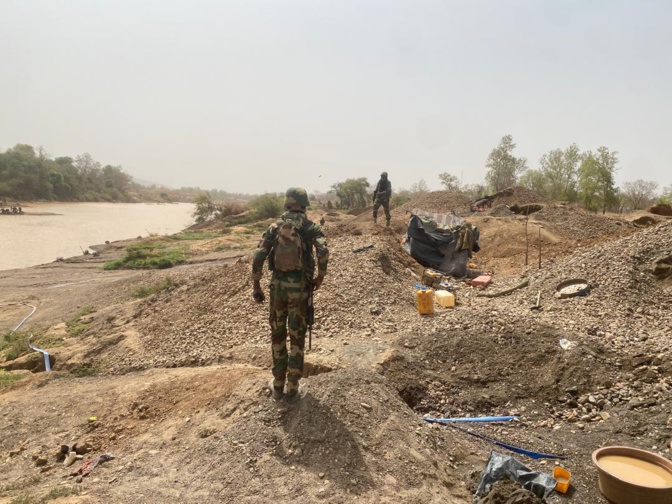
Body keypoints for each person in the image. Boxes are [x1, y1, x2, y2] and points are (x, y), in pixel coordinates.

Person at [251, 187, 329, 403]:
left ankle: (277, 385)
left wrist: (256, 285)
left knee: (277, 334)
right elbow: (323, 251)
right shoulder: (309, 227)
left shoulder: (274, 227)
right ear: (304, 205)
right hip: (300, 289)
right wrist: (320, 276)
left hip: (277, 288)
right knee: (297, 336)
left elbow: (258, 255)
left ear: (286, 203)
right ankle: (293, 387)